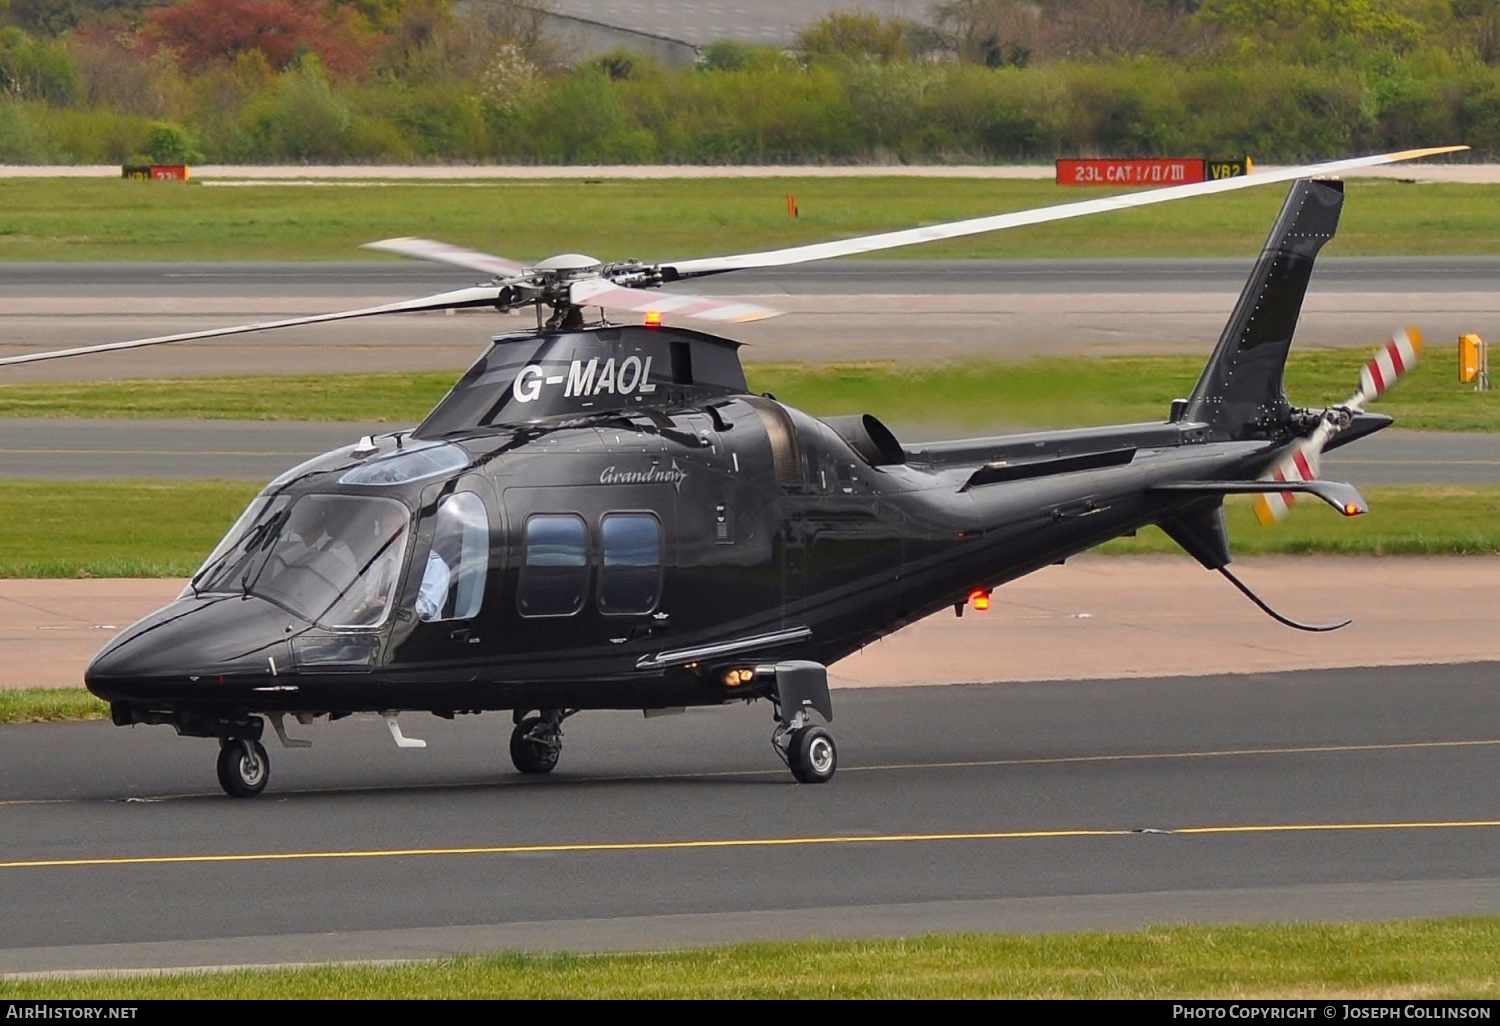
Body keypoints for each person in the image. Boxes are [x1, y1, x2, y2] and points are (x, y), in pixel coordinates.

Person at [416, 547, 451, 621]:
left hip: (416, 629)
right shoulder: (391, 554)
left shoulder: (434, 564)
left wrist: (390, 605)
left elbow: (427, 609)